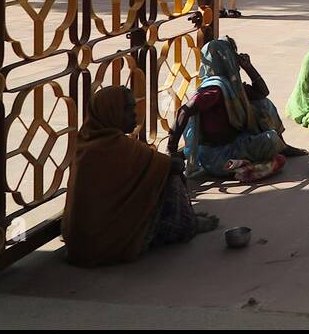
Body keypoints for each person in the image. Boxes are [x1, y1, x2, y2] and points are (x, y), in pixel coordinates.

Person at [62, 85, 218, 267]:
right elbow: (172, 166)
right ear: (111, 113)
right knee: (169, 176)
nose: (135, 114)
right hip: (107, 246)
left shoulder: (84, 143)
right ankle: (185, 225)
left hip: (79, 245)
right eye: (128, 109)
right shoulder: (118, 147)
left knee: (156, 172)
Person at [170, 36, 307, 182]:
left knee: (263, 104)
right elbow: (184, 111)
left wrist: (248, 67)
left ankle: (275, 150)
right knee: (271, 142)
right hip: (218, 155)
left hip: (235, 142)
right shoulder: (214, 89)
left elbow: (262, 93)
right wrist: (171, 148)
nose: (236, 59)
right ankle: (246, 165)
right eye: (233, 55)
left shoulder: (232, 85)